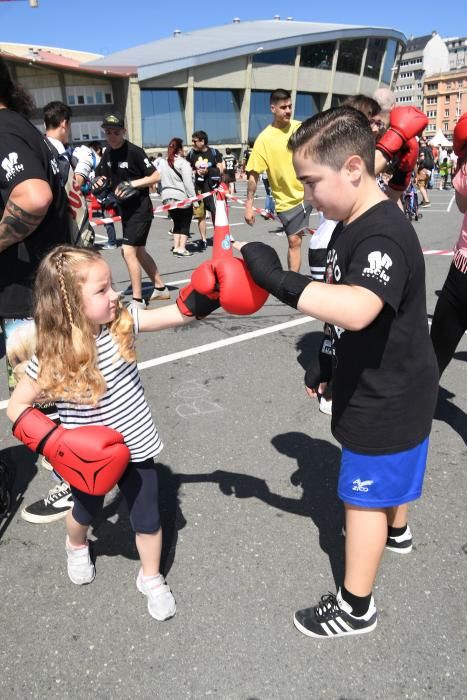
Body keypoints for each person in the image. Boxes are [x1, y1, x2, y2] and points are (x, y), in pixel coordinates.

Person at [234, 106, 438, 638]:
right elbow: (343, 314)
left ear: (352, 168)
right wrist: (328, 359)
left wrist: (277, 278)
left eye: (310, 182)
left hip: (390, 392)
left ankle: (356, 607)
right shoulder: (351, 223)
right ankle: (398, 531)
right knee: (391, 471)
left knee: (361, 496)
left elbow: (358, 308)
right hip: (383, 378)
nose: (306, 196)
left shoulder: (383, 235)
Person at [7, 245, 221, 619]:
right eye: (102, 290)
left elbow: (176, 315)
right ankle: (76, 546)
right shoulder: (52, 355)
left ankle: (151, 577)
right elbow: (16, 407)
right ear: (70, 304)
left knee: (148, 516)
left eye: (112, 286)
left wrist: (209, 294)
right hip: (87, 460)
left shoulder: (122, 321)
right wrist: (56, 443)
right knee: (84, 511)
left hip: (137, 446)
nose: (115, 294)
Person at [0, 58, 74, 523]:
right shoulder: (22, 129)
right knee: (46, 387)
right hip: (37, 288)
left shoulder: (4, 130)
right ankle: (74, 472)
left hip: (23, 295)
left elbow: (33, 196)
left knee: (35, 392)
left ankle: (74, 478)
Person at [94, 113, 169, 308]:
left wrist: (134, 183)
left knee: (128, 251)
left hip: (141, 209)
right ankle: (160, 288)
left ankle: (137, 300)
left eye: (116, 132)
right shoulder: (107, 153)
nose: (111, 136)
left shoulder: (135, 152)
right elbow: (101, 176)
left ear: (124, 132)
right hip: (125, 210)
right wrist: (98, 182)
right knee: (140, 251)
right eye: (108, 132)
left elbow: (156, 176)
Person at [244, 89, 312, 272]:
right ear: (273, 108)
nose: (288, 110)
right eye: (283, 107)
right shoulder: (264, 139)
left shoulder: (301, 128)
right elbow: (253, 174)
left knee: (331, 234)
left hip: (313, 192)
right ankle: (293, 280)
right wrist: (249, 205)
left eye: (290, 106)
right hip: (287, 200)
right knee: (294, 240)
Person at [430, 112, 467, 376]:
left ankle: (411, 412)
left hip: (463, 271)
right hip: (462, 271)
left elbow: (463, 206)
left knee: (436, 351)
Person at [43, 101, 96, 249]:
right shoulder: (55, 153)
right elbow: (69, 190)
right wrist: (83, 169)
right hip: (66, 235)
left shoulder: (42, 148)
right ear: (64, 123)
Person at [157, 137, 195, 257]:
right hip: (181, 196)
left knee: (176, 222)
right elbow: (188, 183)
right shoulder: (183, 163)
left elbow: (158, 178)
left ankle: (176, 246)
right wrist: (194, 198)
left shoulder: (163, 163)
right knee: (185, 223)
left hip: (167, 197)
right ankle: (182, 248)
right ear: (180, 149)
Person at [186, 130, 223, 249]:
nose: (192, 143)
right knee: (200, 215)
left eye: (195, 141)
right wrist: (194, 172)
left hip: (212, 187)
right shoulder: (191, 154)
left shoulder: (214, 152)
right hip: (197, 188)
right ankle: (203, 239)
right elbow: (186, 169)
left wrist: (208, 171)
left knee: (216, 213)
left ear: (202, 141)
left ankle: (220, 236)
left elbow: (221, 169)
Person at [88, 141, 118, 248]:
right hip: (105, 197)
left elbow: (106, 183)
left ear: (98, 150)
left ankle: (113, 242)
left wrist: (102, 197)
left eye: (91, 151)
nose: (89, 154)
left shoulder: (102, 163)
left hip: (109, 197)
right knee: (108, 221)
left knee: (108, 220)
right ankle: (113, 241)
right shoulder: (97, 163)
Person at [416, 137, 435, 207]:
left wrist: (417, 161)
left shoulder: (421, 149)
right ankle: (424, 200)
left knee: (420, 185)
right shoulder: (429, 149)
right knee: (424, 186)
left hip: (423, 169)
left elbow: (422, 158)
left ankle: (427, 201)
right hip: (429, 170)